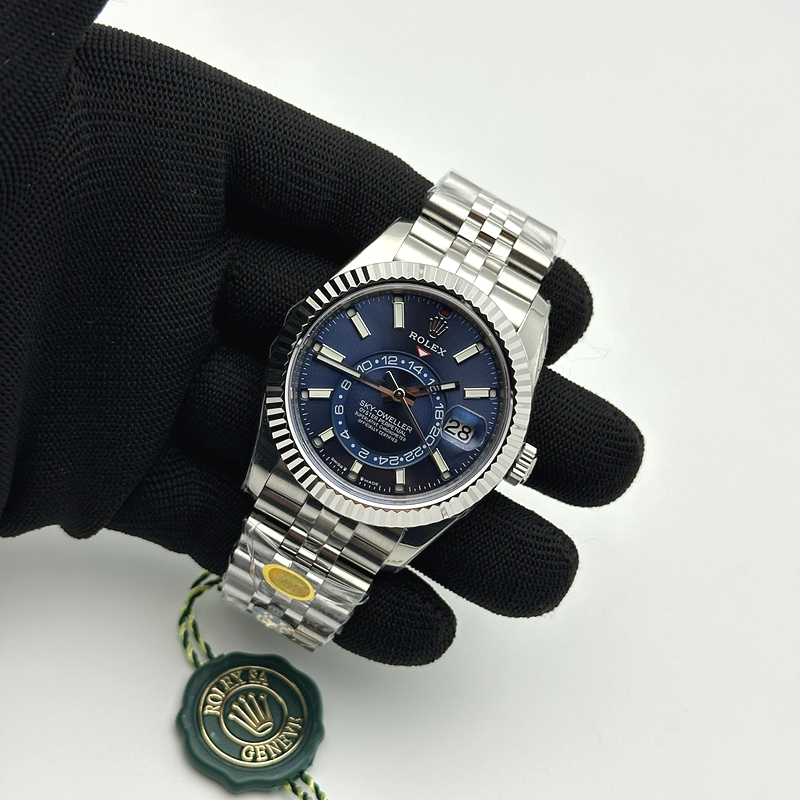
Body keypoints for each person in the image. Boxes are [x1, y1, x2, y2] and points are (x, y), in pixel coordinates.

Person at [0, 0, 644, 665]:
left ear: (506, 456)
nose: (397, 394)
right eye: (399, 391)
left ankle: (291, 594)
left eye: (407, 398)